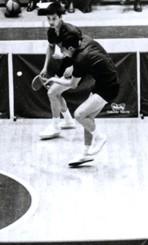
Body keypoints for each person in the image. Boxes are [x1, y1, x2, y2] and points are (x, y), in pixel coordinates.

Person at [48, 31, 120, 168]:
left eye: (62, 49)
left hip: (109, 88)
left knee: (79, 115)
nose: (61, 51)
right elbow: (84, 55)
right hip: (104, 81)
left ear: (70, 48)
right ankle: (85, 154)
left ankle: (100, 137)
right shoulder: (85, 40)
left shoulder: (81, 59)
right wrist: (68, 60)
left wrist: (54, 79)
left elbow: (73, 84)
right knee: (87, 118)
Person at [36, 1, 78, 140]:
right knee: (56, 93)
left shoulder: (71, 32)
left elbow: (82, 52)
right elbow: (51, 47)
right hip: (65, 65)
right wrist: (45, 66)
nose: (51, 22)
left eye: (54, 18)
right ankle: (68, 121)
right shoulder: (51, 32)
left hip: (78, 66)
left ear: (61, 17)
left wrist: (73, 66)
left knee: (52, 92)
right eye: (48, 18)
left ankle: (55, 127)